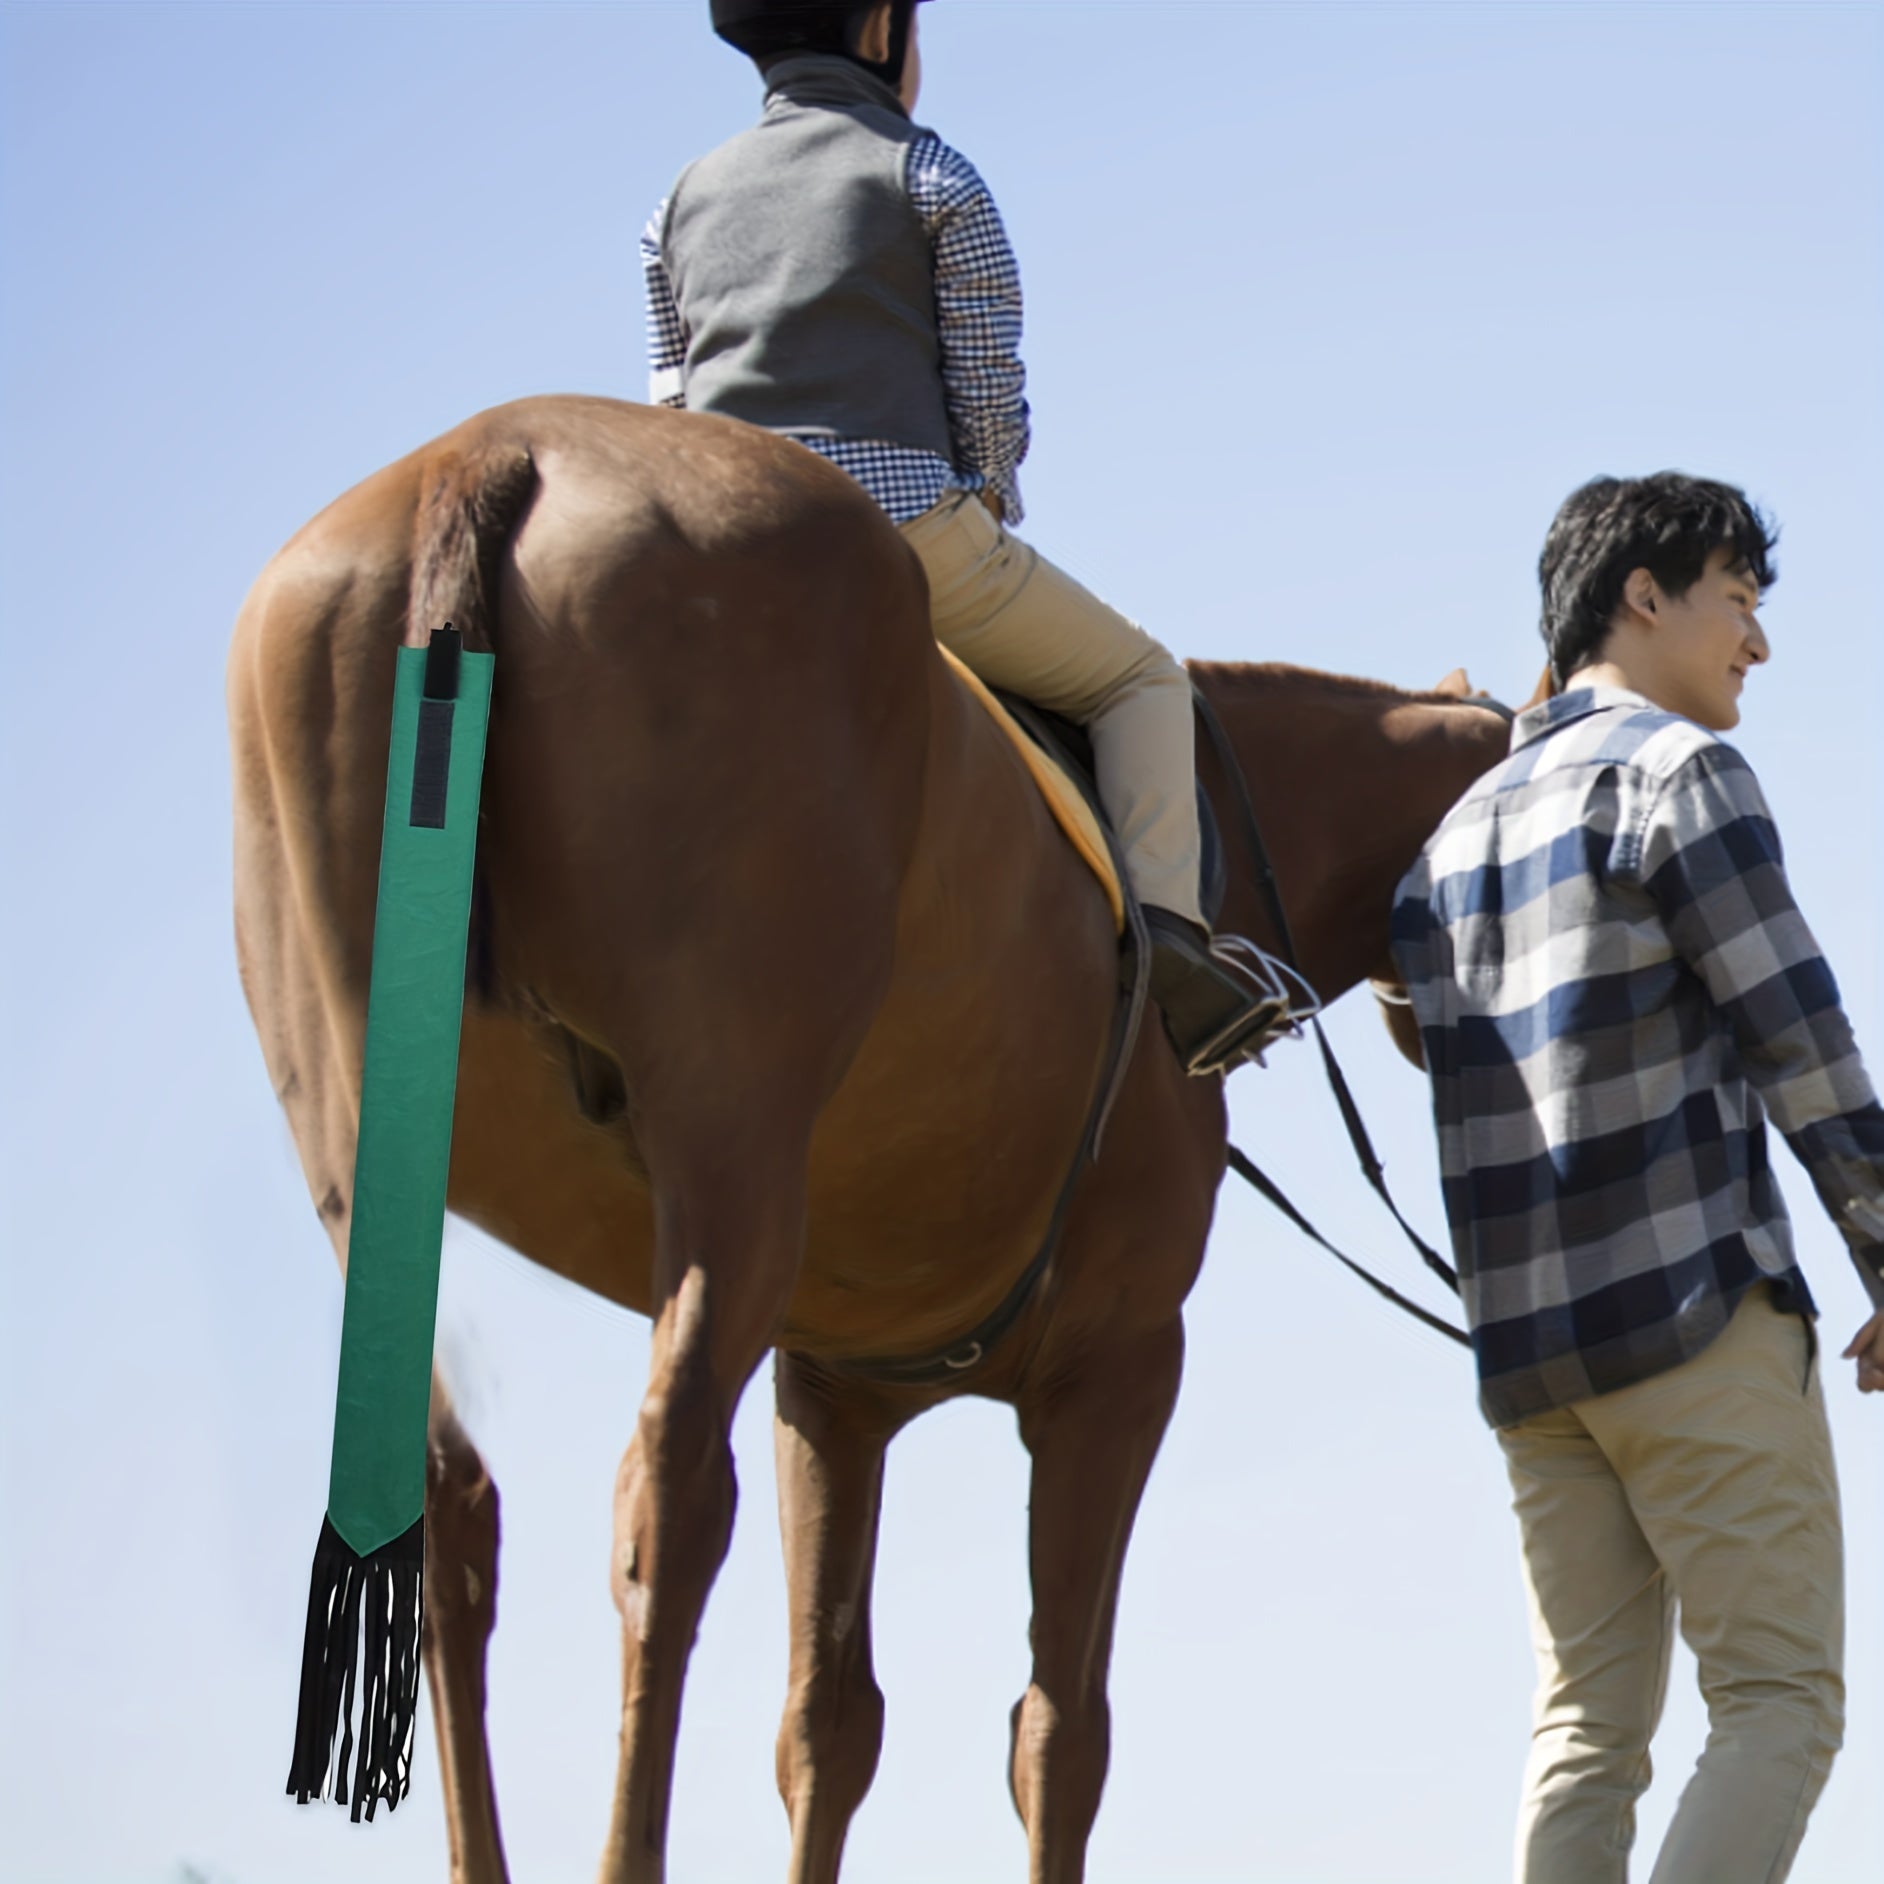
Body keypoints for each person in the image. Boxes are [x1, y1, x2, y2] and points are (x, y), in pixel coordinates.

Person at [639, 0, 1289, 1074]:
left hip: (727, 562)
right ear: (880, 26)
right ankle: (1174, 949)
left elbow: (670, 409)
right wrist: (987, 499)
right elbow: (987, 394)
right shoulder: (930, 174)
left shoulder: (676, 204)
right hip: (902, 535)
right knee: (1141, 681)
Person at [1391, 471, 1884, 1884]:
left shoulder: (1449, 841)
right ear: (1644, 595)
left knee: (1586, 1732)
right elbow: (1801, 1037)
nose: (1759, 641)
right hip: (1691, 1318)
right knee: (1781, 1704)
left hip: (1536, 1371)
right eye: (1740, 597)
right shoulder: (1677, 773)